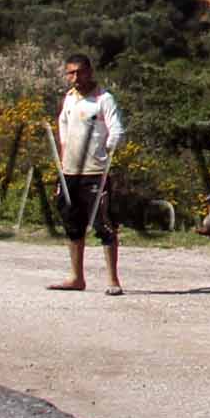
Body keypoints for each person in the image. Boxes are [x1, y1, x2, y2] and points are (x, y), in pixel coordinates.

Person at [51, 53, 125, 294]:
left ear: (89, 72)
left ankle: (113, 281)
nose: (75, 78)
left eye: (79, 72)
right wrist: (62, 163)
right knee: (73, 224)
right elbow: (63, 128)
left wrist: (105, 152)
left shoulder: (104, 99)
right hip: (70, 171)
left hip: (95, 171)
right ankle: (76, 278)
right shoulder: (69, 99)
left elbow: (117, 131)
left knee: (104, 224)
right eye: (70, 73)